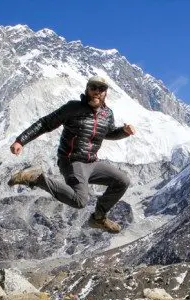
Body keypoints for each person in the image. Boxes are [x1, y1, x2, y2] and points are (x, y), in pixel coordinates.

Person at [8, 76, 134, 233]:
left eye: (101, 89)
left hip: (92, 162)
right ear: (87, 89)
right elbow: (45, 123)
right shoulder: (73, 108)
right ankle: (36, 179)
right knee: (80, 201)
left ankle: (98, 218)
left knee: (122, 181)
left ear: (105, 93)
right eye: (93, 88)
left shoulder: (107, 114)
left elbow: (107, 133)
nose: (97, 92)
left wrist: (123, 132)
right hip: (71, 161)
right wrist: (21, 140)